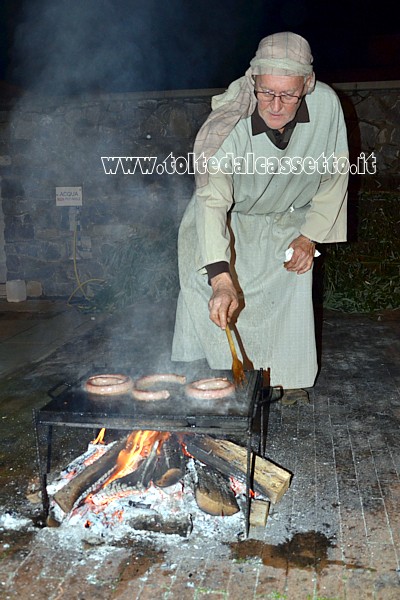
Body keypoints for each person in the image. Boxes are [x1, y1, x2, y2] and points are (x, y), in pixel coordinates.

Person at [171, 32, 348, 404]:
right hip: (230, 216)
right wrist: (220, 277)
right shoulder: (229, 121)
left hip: (287, 218)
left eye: (289, 94)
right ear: (253, 82)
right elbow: (213, 200)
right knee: (205, 283)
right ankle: (214, 377)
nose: (277, 105)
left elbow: (335, 174)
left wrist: (310, 236)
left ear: (308, 85)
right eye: (267, 92)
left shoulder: (327, 106)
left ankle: (288, 380)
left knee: (292, 286)